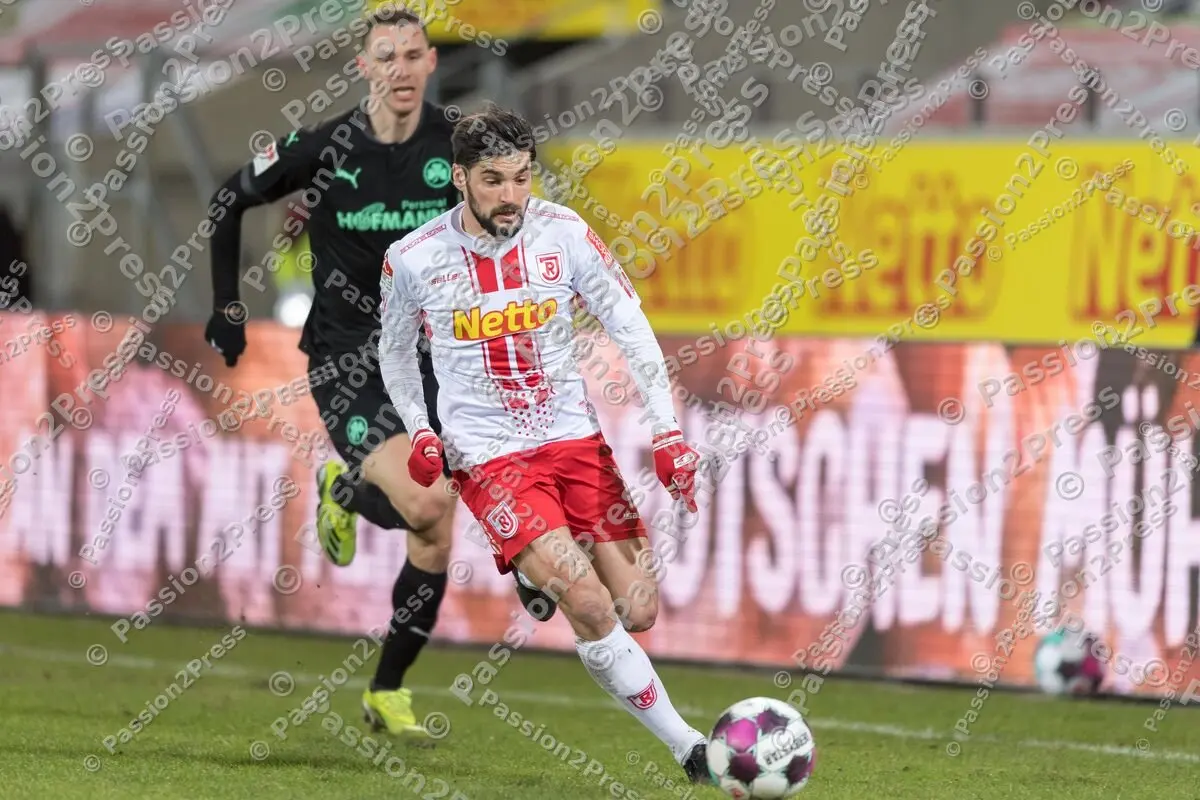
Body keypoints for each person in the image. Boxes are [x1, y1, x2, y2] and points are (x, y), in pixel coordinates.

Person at [203, 7, 555, 738]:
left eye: (413, 54)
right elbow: (230, 197)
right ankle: (353, 488)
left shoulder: (456, 149)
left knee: (431, 538)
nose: (400, 68)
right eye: (385, 56)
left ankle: (387, 690)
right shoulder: (328, 146)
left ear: (432, 63)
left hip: (438, 361)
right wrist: (226, 308)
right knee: (429, 506)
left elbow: (512, 218)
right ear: (364, 67)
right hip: (347, 358)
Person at [377, 105, 713, 784]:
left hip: (574, 442)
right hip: (489, 457)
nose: (511, 195)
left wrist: (668, 430)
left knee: (638, 609)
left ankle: (534, 575)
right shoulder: (412, 259)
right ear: (459, 179)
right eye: (494, 180)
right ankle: (691, 750)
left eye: (523, 177)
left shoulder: (565, 234)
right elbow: (394, 357)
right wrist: (421, 430)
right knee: (588, 604)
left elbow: (629, 322)